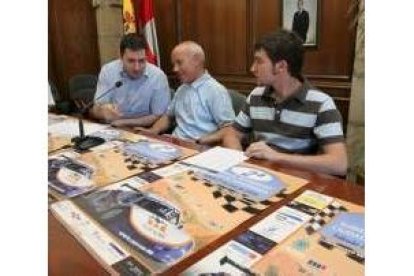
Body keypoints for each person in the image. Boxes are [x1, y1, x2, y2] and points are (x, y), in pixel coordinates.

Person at [203, 30, 347, 176]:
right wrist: (241, 164)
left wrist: (276, 157)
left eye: (259, 61)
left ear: (281, 66)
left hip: (296, 180)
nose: (252, 68)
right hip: (257, 175)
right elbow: (231, 134)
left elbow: (339, 163)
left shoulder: (321, 104)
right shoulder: (256, 95)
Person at [142, 41, 235, 141]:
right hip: (175, 144)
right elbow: (168, 117)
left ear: (196, 61)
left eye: (179, 63)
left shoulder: (215, 91)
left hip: (200, 148)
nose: (175, 69)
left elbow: (229, 129)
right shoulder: (182, 88)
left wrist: (201, 141)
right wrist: (153, 130)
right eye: (174, 64)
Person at [90, 33, 170, 128]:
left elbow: (158, 115)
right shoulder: (108, 71)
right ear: (121, 56)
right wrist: (102, 112)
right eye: (131, 61)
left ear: (146, 57)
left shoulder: (158, 76)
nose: (137, 68)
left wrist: (125, 122)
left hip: (143, 130)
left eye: (141, 61)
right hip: (112, 129)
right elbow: (96, 108)